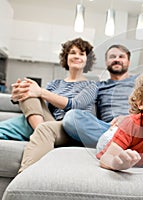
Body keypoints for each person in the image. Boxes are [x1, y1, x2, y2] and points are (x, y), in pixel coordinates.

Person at [8, 37, 98, 172]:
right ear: (66, 57)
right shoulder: (54, 84)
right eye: (73, 52)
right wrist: (17, 96)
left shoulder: (91, 85)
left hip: (74, 129)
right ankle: (42, 130)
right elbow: (39, 104)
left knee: (38, 99)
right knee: (28, 89)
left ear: (87, 60)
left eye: (81, 53)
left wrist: (41, 92)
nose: (77, 56)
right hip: (53, 124)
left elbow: (75, 105)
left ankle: (24, 177)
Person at [62, 44, 138, 148]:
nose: (117, 59)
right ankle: (119, 142)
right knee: (72, 117)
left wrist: (130, 119)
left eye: (121, 57)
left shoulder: (140, 81)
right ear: (106, 63)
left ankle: (118, 143)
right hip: (107, 129)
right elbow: (75, 103)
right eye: (112, 57)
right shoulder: (98, 86)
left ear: (128, 62)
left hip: (135, 126)